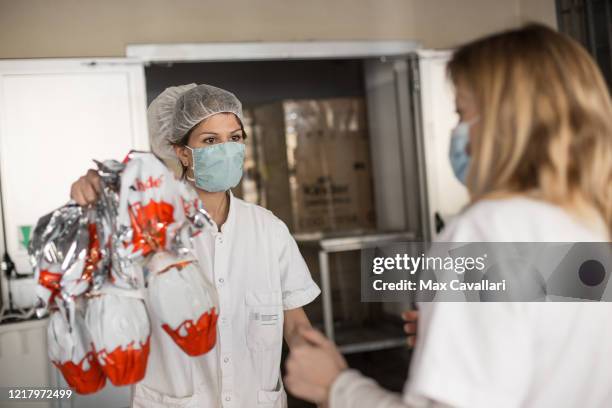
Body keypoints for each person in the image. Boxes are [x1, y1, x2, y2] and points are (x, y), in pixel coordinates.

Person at [284, 24, 612, 408]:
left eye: (462, 113)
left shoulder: (489, 228)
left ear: (507, 122)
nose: (456, 131)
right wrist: (457, 337)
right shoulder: (590, 220)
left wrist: (335, 387)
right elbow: (556, 348)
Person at [70, 83, 321, 407]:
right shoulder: (147, 228)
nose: (226, 149)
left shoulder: (268, 229)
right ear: (182, 151)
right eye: (210, 140)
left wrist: (324, 383)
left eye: (235, 138)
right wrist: (91, 200)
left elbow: (295, 322)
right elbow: (96, 283)